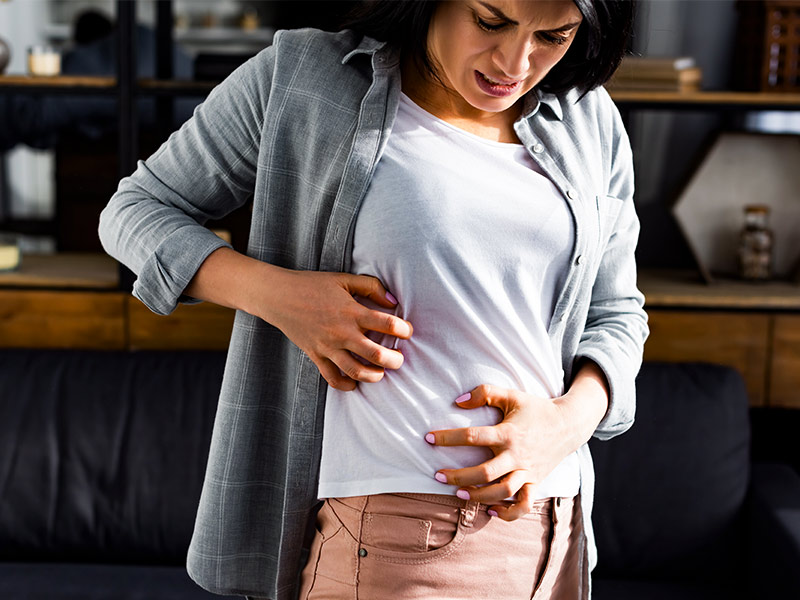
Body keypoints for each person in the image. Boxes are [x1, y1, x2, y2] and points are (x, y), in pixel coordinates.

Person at [99, 1, 648, 598]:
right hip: (400, 535)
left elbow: (616, 313)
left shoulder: (588, 120)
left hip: (558, 534)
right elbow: (134, 214)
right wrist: (280, 296)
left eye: (554, 36)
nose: (516, 60)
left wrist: (565, 424)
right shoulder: (306, 79)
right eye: (491, 21)